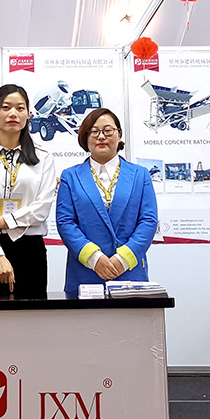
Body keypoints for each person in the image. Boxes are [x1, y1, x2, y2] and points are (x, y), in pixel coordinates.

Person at [0, 84, 56, 300]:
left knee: (31, 318)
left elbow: (41, 209)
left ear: (29, 114)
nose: (13, 113)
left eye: (20, 108)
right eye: (6, 107)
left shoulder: (44, 158)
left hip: (30, 249)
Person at [56, 108, 158, 299]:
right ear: (85, 137)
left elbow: (148, 221)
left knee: (131, 320)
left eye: (108, 130)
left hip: (129, 271)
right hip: (85, 273)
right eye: (94, 131)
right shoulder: (70, 176)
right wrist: (94, 258)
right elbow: (65, 222)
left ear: (119, 134)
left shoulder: (140, 174)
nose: (101, 136)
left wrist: (123, 259)